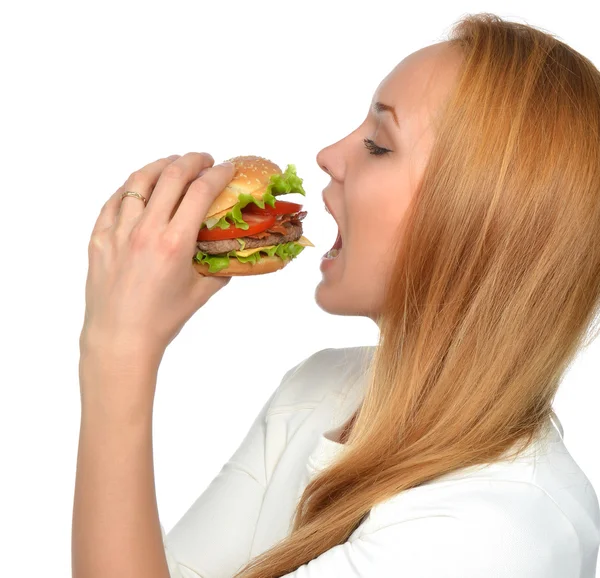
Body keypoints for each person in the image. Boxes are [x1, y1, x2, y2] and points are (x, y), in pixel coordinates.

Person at [73, 12, 600, 578]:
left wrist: (117, 352)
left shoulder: (495, 533)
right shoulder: (321, 388)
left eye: (378, 144)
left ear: (480, 221)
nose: (328, 154)